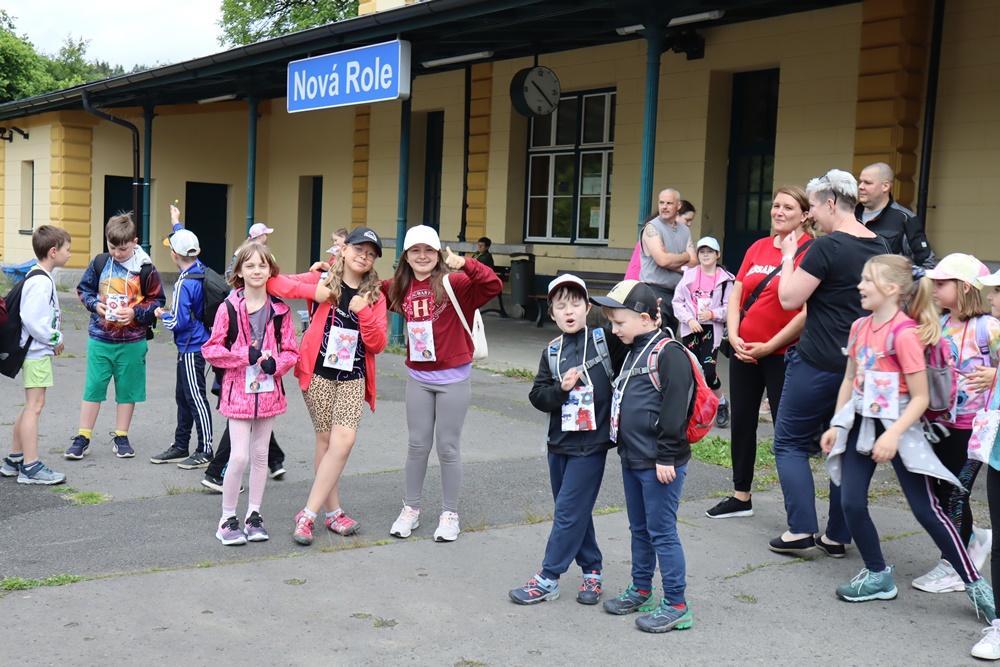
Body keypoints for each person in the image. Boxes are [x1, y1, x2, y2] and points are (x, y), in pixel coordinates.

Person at [820, 255, 995, 622]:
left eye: (868, 280)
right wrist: (837, 424)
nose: (860, 286)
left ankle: (974, 583)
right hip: (861, 426)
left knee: (926, 510)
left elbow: (920, 397)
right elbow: (850, 379)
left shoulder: (906, 334)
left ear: (892, 289)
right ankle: (878, 575)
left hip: (901, 429)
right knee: (850, 502)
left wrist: (894, 435)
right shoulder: (858, 327)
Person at [769, 169, 890, 556]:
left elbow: (788, 298)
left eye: (815, 208)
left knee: (788, 442)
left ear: (832, 203)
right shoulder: (882, 245)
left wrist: (789, 257)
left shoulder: (826, 247)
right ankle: (837, 536)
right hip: (861, 368)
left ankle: (800, 529)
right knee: (844, 446)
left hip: (818, 363)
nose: (812, 216)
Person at [508, 275, 626, 606]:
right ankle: (593, 571)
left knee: (568, 512)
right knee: (573, 510)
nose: (569, 311)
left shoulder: (605, 340)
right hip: (558, 445)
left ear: (589, 308)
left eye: (576, 304)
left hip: (592, 445)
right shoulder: (553, 351)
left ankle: (548, 577)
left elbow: (632, 334)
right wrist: (561, 389)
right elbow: (537, 396)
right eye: (561, 306)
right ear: (552, 314)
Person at [266, 227, 387, 545]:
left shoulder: (375, 295)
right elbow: (275, 283)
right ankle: (333, 514)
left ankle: (307, 515)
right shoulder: (322, 280)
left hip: (354, 376)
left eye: (371, 253)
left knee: (342, 442)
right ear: (344, 249)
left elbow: (377, 344)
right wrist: (314, 287)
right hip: (318, 373)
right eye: (359, 249)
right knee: (325, 443)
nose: (364, 256)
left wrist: (364, 314)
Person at [384, 225, 502, 542]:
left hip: (454, 379)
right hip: (418, 380)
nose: (422, 256)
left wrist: (467, 263)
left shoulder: (456, 283)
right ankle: (411, 509)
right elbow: (364, 287)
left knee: (448, 448)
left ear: (438, 254)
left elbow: (492, 284)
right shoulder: (398, 287)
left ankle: (450, 514)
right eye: (415, 251)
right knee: (417, 445)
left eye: (428, 251)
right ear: (406, 257)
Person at [590, 280, 695, 633]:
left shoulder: (669, 352)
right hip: (634, 458)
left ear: (648, 319)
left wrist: (665, 456)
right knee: (640, 529)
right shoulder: (635, 346)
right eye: (611, 322)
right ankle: (642, 589)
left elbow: (674, 408)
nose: (613, 329)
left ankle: (677, 603)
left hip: (659, 463)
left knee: (662, 532)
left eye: (619, 322)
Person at [706, 187, 813, 519]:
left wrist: (770, 345)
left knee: (786, 431)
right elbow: (737, 294)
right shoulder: (757, 247)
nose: (778, 212)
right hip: (743, 352)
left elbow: (805, 311)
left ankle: (794, 508)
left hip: (783, 354)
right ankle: (741, 496)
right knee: (742, 422)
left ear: (806, 214)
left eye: (788, 207)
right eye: (776, 205)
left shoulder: (811, 251)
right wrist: (735, 336)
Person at [910, 254, 998, 592]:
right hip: (939, 425)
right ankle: (973, 540)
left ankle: (954, 565)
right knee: (938, 491)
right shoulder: (942, 323)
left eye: (941, 283)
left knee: (955, 496)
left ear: (964, 288)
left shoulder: (988, 327)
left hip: (973, 431)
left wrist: (993, 374)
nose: (933, 288)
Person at [202, 242, 299, 546]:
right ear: (239, 272)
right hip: (238, 395)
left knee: (260, 455)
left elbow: (291, 351)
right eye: (250, 266)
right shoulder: (228, 308)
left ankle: (253, 516)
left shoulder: (281, 310)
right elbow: (212, 350)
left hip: (268, 395)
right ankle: (227, 519)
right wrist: (245, 354)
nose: (256, 271)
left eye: (262, 265)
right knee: (239, 455)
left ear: (271, 270)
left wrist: (277, 364)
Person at [65, 213, 165, 461]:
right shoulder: (99, 262)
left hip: (132, 341)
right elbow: (84, 289)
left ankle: (121, 436)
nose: (117, 253)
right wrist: (94, 304)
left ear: (134, 242)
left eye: (123, 248)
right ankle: (83, 437)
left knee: (127, 391)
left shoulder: (146, 269)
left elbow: (157, 301)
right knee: (94, 388)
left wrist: (135, 312)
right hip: (100, 338)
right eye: (112, 248)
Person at [0, 225, 72, 484]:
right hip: (36, 353)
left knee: (30, 406)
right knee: (35, 407)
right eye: (67, 250)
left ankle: (15, 459)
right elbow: (35, 321)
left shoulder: (36, 275)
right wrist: (57, 339)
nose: (69, 254)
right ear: (53, 252)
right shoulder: (41, 281)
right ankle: (30, 467)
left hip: (32, 353)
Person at [150, 207, 214, 469]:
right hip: (198, 342)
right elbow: (185, 242)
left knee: (195, 397)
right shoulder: (200, 267)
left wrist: (160, 314)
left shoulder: (184, 284)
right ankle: (180, 445)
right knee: (183, 395)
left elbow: (179, 321)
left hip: (191, 346)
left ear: (174, 255)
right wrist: (176, 223)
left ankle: (205, 449)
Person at [671, 236, 734, 428]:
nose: (705, 255)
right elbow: (677, 302)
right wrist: (689, 319)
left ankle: (721, 402)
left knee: (708, 371)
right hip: (691, 329)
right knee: (690, 371)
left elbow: (730, 309)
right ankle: (695, 409)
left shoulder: (726, 281)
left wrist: (713, 314)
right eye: (702, 252)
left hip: (711, 331)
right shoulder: (688, 276)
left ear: (717, 254)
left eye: (710, 252)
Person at [639, 189, 697, 336]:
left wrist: (673, 261)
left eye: (669, 203)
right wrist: (684, 256)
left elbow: (695, 262)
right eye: (661, 203)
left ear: (678, 206)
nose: (664, 206)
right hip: (654, 291)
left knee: (670, 337)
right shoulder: (652, 228)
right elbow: (662, 260)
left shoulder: (684, 230)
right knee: (655, 337)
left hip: (677, 293)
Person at [856, 162, 935, 268]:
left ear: (885, 186)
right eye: (860, 182)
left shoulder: (905, 219)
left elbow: (926, 265)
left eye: (867, 183)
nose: (860, 187)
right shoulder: (849, 215)